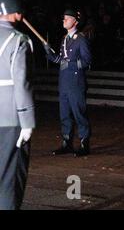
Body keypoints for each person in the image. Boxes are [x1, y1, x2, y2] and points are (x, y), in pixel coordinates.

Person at [0, 0, 36, 209]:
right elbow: (22, 83)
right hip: (11, 118)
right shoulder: (18, 41)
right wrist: (28, 121)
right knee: (11, 178)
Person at [44, 9, 92, 157]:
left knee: (79, 113)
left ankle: (84, 143)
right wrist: (49, 54)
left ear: (75, 21)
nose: (64, 21)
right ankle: (67, 142)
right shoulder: (65, 39)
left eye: (67, 18)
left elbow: (87, 60)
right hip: (64, 82)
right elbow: (60, 60)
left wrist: (69, 64)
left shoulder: (81, 39)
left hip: (76, 82)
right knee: (64, 114)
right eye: (63, 18)